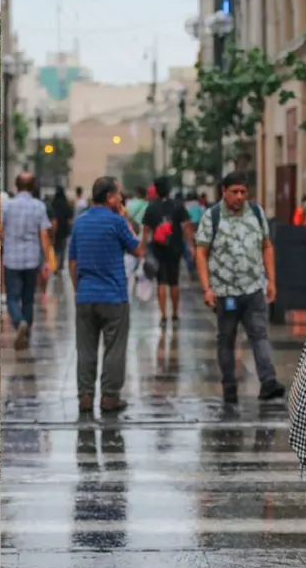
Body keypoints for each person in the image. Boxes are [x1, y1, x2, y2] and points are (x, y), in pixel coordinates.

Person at [194, 171, 285, 404]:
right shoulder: (212, 216)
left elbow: (267, 246)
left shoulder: (256, 212)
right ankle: (229, 387)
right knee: (226, 339)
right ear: (224, 192)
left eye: (243, 192)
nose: (239, 196)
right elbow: (201, 252)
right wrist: (207, 288)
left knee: (259, 335)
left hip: (253, 289)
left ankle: (268, 381)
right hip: (225, 293)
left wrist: (271, 280)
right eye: (234, 192)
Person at [68, 176, 143, 413]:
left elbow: (72, 262)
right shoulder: (116, 222)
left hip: (86, 296)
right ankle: (110, 398)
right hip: (114, 297)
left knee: (86, 349)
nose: (121, 199)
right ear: (110, 197)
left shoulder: (80, 223)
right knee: (114, 349)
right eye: (119, 195)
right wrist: (125, 219)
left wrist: (78, 289)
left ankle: (85, 397)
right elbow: (139, 249)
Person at [1, 173, 53, 350]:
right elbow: (44, 235)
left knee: (12, 298)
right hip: (32, 259)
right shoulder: (39, 206)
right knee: (28, 299)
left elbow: (0, 231)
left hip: (11, 258)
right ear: (32, 187)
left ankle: (19, 322)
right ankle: (27, 332)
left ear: (16, 186)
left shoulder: (7, 206)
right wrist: (46, 260)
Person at [141, 176, 193, 324]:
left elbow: (146, 230)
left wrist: (142, 248)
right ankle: (175, 314)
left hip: (158, 248)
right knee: (174, 281)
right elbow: (186, 226)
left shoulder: (151, 207)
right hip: (175, 248)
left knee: (161, 282)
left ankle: (163, 316)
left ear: (155, 189)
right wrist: (190, 245)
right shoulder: (178, 205)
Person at [50, 186, 73, 272]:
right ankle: (60, 266)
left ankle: (55, 264)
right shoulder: (66, 204)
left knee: (55, 248)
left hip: (54, 229)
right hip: (64, 229)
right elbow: (70, 219)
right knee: (62, 248)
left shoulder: (53, 203)